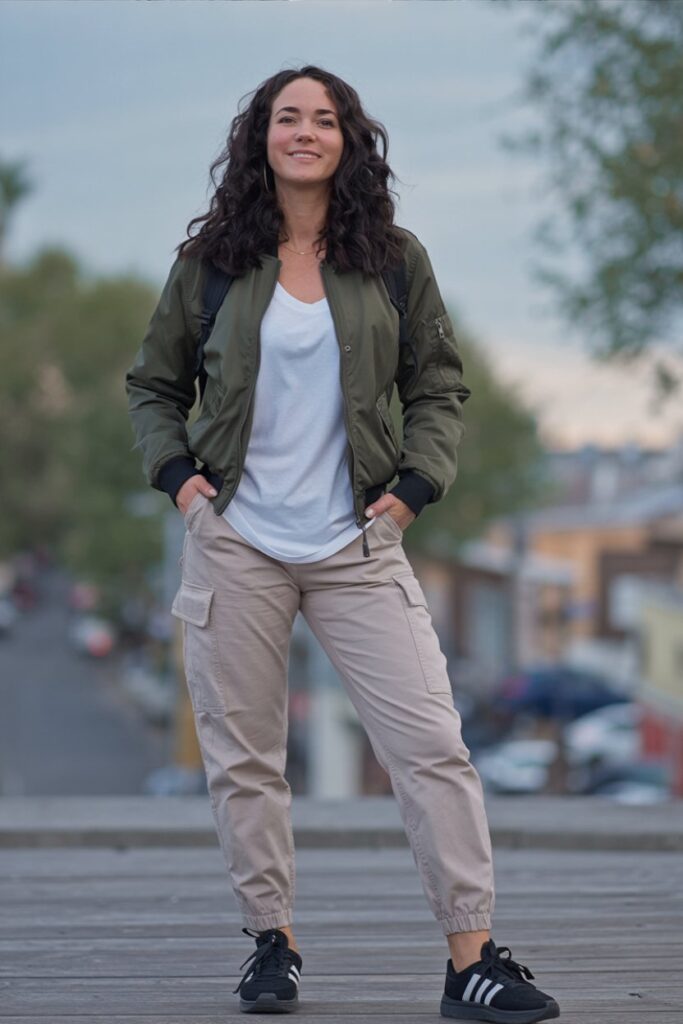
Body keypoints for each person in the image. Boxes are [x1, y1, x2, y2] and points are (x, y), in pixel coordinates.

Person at [125, 65, 560, 1022]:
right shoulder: (210, 262)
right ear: (260, 138)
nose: (306, 131)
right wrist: (185, 489)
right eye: (289, 117)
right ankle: (270, 945)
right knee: (246, 759)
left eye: (324, 119)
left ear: (347, 139)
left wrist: (409, 494)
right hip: (234, 540)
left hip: (358, 542)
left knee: (432, 744)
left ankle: (471, 961)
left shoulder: (393, 260)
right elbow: (152, 388)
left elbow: (438, 387)